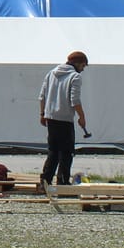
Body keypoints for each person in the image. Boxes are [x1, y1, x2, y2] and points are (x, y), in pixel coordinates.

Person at [38, 50, 89, 187]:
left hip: (51, 118)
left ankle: (45, 181)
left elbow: (42, 96)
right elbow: (75, 100)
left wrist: (42, 114)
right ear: (77, 64)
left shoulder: (51, 73)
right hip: (65, 119)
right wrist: (82, 117)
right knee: (66, 153)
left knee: (53, 151)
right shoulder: (75, 77)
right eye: (83, 66)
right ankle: (62, 182)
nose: (82, 69)